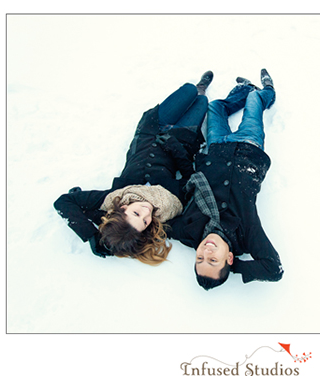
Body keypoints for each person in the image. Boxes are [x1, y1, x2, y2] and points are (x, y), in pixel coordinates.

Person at [53, 71, 214, 265]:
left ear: (123, 208)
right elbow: (190, 176)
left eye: (136, 213)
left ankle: (197, 88)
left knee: (188, 90)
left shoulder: (114, 196)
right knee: (201, 103)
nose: (146, 211)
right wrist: (174, 146)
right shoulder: (167, 209)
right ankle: (202, 91)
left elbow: (63, 202)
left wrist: (92, 235)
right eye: (145, 221)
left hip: (151, 129)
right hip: (180, 138)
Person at [167, 69, 283, 289]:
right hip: (247, 149)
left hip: (216, 149)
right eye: (213, 260)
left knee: (215, 107)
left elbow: (156, 225)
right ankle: (267, 92)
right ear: (229, 258)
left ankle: (245, 88)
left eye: (200, 259)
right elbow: (273, 270)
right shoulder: (246, 234)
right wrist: (236, 267)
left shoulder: (188, 231)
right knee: (253, 103)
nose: (206, 252)